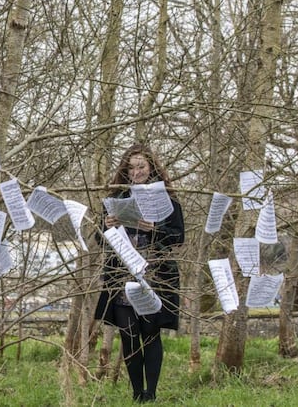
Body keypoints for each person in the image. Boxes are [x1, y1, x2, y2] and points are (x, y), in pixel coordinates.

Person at [94, 143, 184, 403]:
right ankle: (136, 395)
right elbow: (100, 241)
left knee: (151, 334)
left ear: (151, 167)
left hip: (155, 276)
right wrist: (107, 226)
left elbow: (178, 237)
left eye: (141, 166)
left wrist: (154, 229)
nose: (136, 172)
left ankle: (150, 394)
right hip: (122, 276)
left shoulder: (167, 199)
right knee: (129, 336)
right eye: (131, 167)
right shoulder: (117, 198)